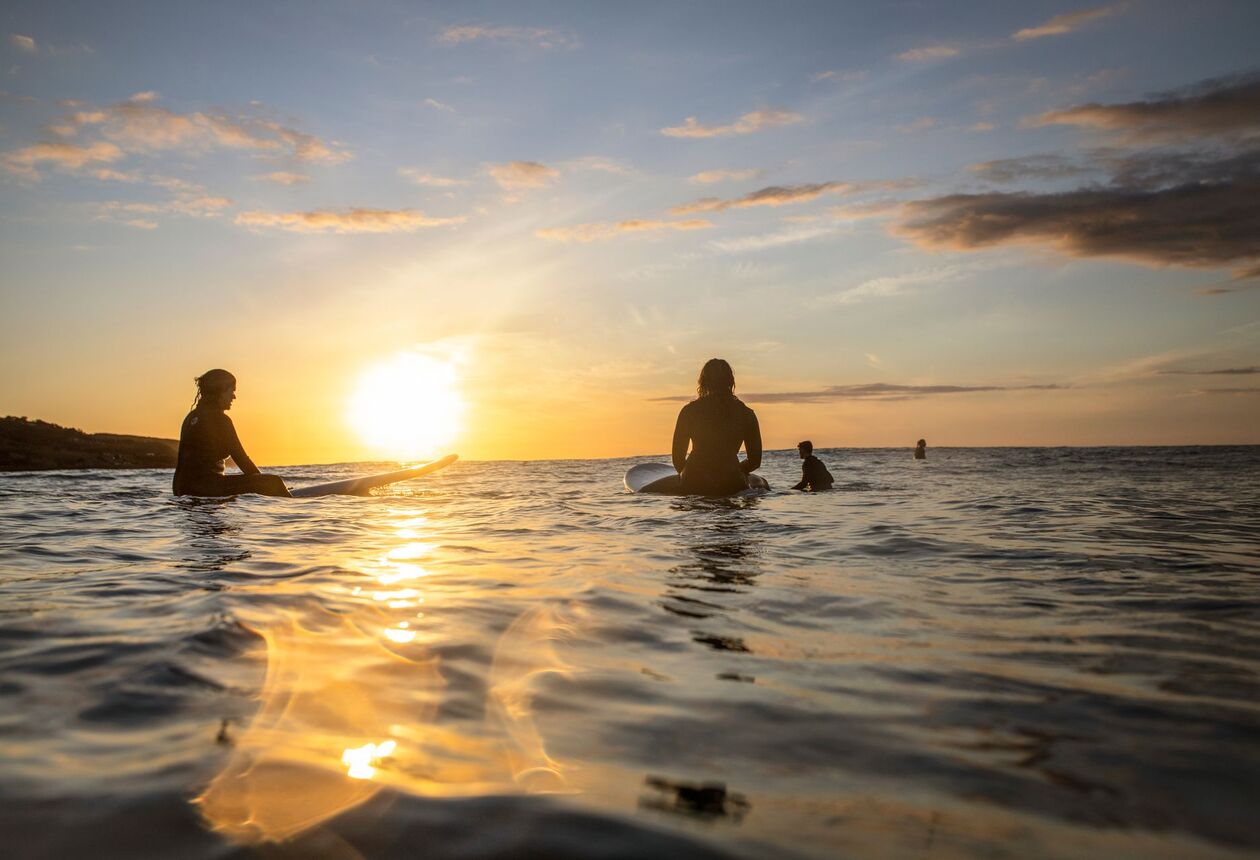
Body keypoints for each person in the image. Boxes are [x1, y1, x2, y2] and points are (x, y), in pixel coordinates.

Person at [172, 369, 291, 497]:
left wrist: (257, 482)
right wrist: (265, 485)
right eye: (232, 391)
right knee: (274, 482)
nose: (234, 396)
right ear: (220, 391)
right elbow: (242, 460)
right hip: (205, 488)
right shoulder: (220, 420)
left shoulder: (191, 417)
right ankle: (291, 510)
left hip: (180, 488)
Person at [652, 358, 762, 496]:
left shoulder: (689, 411)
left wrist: (692, 475)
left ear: (703, 382)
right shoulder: (746, 414)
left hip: (694, 479)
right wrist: (735, 470)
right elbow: (755, 461)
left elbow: (678, 459)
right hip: (731, 481)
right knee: (761, 484)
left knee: (645, 492)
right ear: (730, 381)